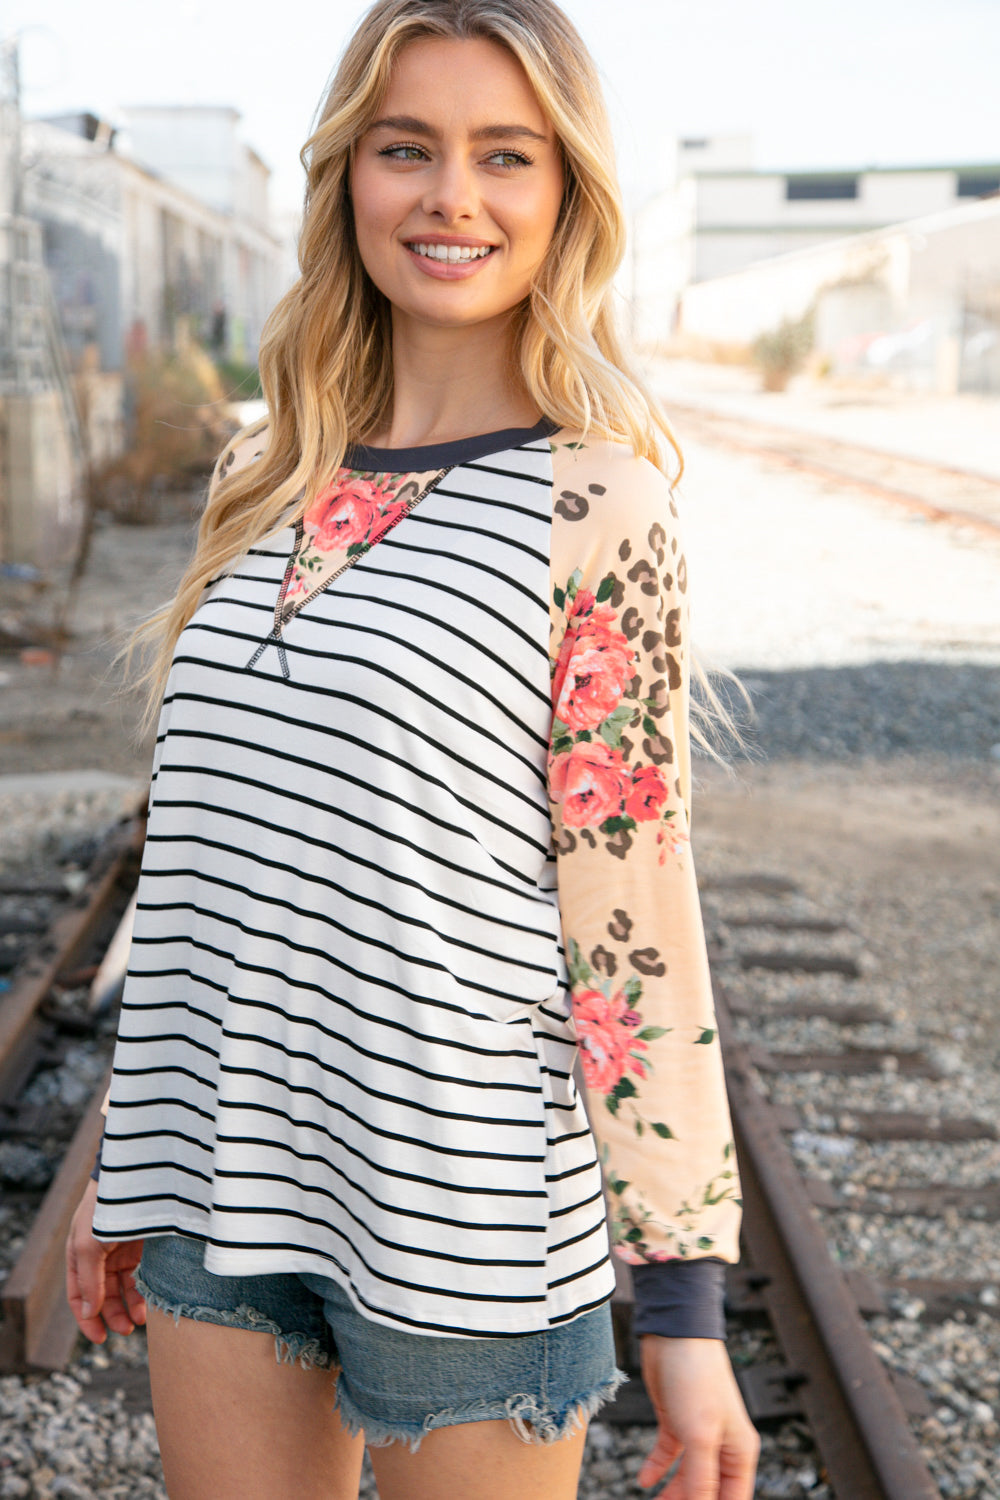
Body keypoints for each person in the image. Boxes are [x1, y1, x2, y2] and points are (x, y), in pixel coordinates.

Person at [66, 2, 759, 1496]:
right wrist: (130, 1142)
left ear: (565, 193)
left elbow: (633, 904)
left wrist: (685, 1307)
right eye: (407, 149)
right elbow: (212, 854)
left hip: (466, 1214)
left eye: (505, 154)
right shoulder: (266, 474)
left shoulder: (598, 502)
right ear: (349, 178)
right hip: (221, 1188)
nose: (453, 196)